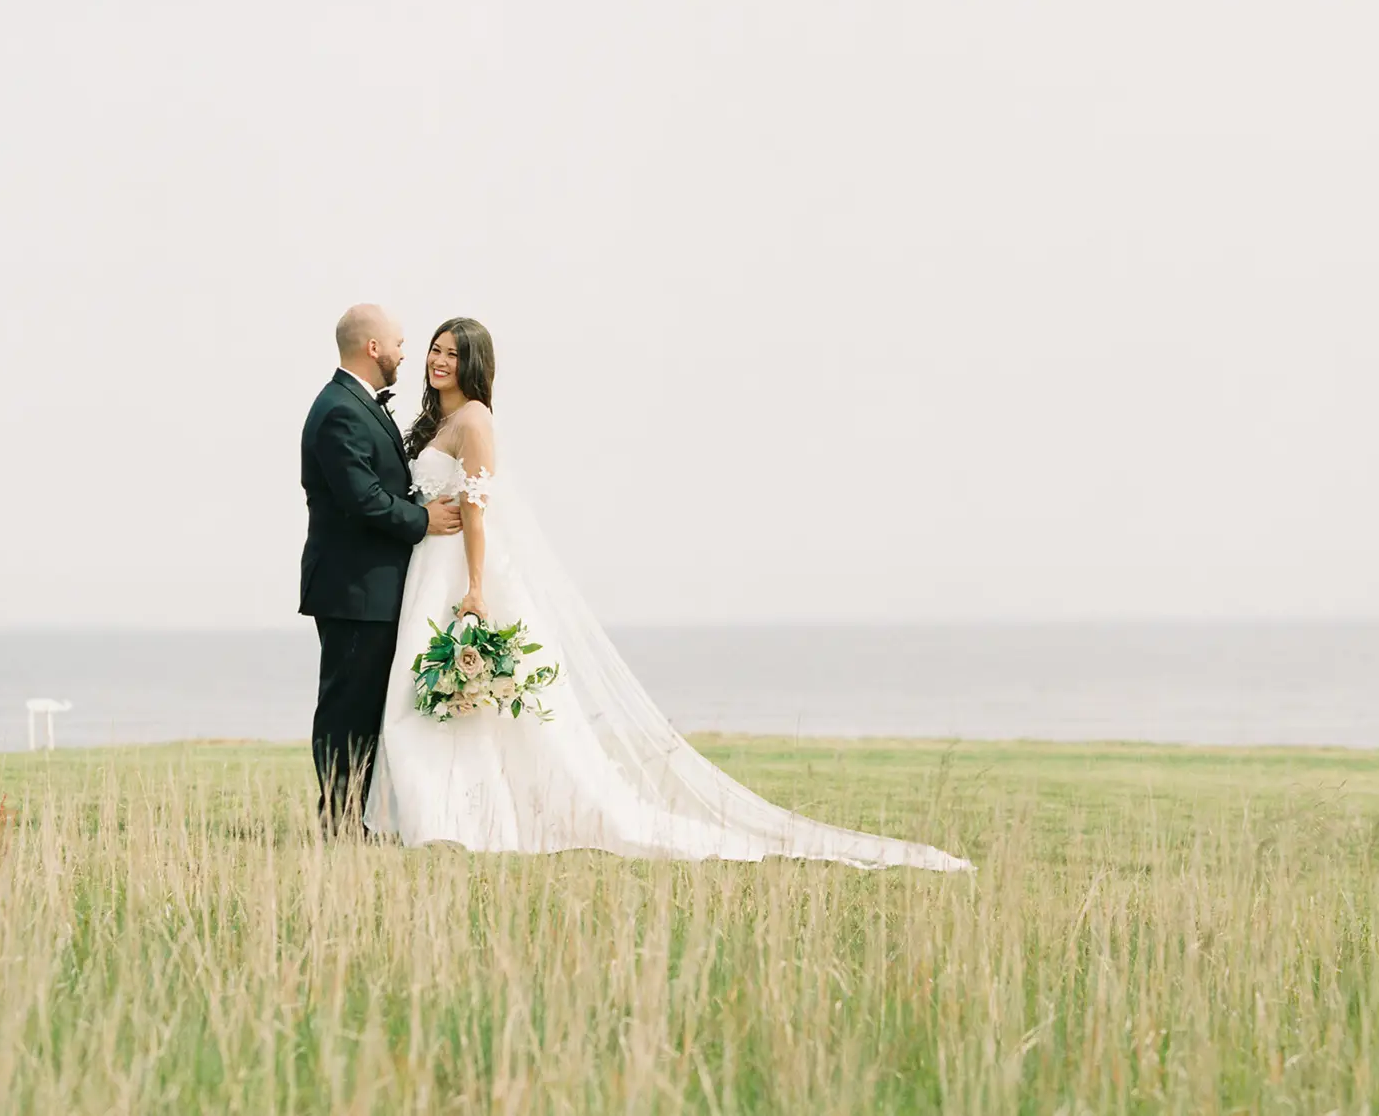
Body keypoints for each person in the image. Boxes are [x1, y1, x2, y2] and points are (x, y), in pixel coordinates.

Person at [361, 316, 972, 872]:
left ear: (474, 364)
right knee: (431, 696)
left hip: (459, 570)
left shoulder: (474, 420)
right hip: (429, 566)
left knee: (468, 699)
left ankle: (461, 816)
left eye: (452, 353)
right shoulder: (439, 421)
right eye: (435, 350)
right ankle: (440, 813)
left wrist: (474, 588)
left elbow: (477, 508)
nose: (439, 360)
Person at [299, 304, 461, 834]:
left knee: (367, 707)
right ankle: (340, 821)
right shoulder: (339, 410)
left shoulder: (357, 403)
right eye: (398, 343)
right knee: (347, 708)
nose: (404, 353)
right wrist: (424, 519)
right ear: (373, 348)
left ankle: (363, 816)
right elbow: (362, 498)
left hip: (373, 588)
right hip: (353, 588)